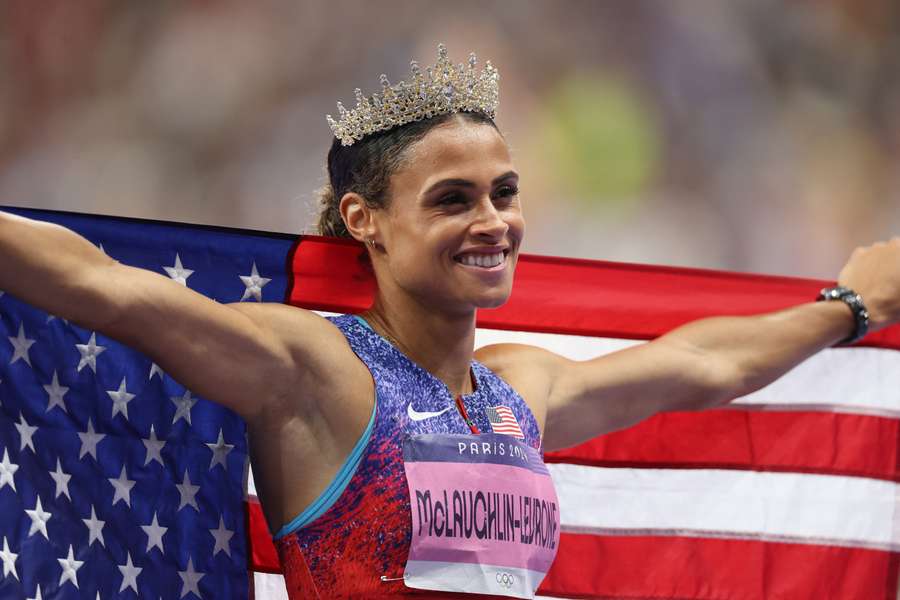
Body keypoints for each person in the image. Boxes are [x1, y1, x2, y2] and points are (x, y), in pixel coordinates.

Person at [1, 44, 899, 599]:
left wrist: (849, 307)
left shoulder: (520, 389)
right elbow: (106, 289)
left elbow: (703, 365)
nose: (493, 223)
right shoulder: (315, 370)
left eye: (504, 194)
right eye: (453, 200)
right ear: (366, 222)